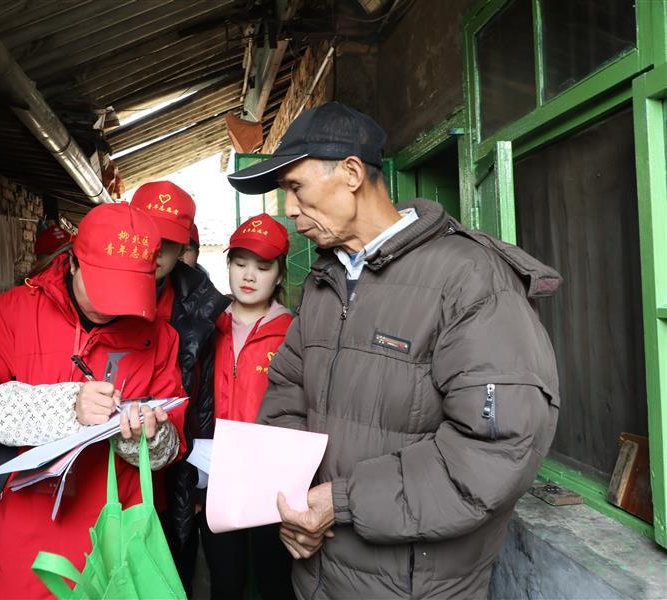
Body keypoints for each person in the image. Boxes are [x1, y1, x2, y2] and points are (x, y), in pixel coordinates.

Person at [227, 101, 561, 599]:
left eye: (295, 187)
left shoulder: (469, 278)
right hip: (318, 575)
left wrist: (342, 502)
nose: (289, 208)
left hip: (413, 585)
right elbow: (287, 393)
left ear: (351, 173)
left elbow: (496, 446)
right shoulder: (324, 281)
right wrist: (293, 504)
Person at [0, 203, 187, 599]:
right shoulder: (13, 313)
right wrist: (66, 407)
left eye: (125, 292)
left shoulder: (160, 337)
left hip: (115, 540)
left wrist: (149, 436)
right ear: (73, 262)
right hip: (24, 536)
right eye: (103, 288)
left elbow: (172, 447)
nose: (112, 306)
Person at [129, 181, 230, 593]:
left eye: (168, 243)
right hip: (106, 470)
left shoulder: (203, 308)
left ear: (184, 247)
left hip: (176, 470)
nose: (155, 251)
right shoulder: (90, 301)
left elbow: (207, 399)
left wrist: (203, 477)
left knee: (171, 574)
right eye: (147, 236)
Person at [201, 213, 294, 599]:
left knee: (276, 583)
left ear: (280, 274)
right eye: (240, 264)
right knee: (226, 584)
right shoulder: (206, 327)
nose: (249, 276)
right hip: (216, 476)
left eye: (263, 267)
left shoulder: (293, 333)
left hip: (274, 480)